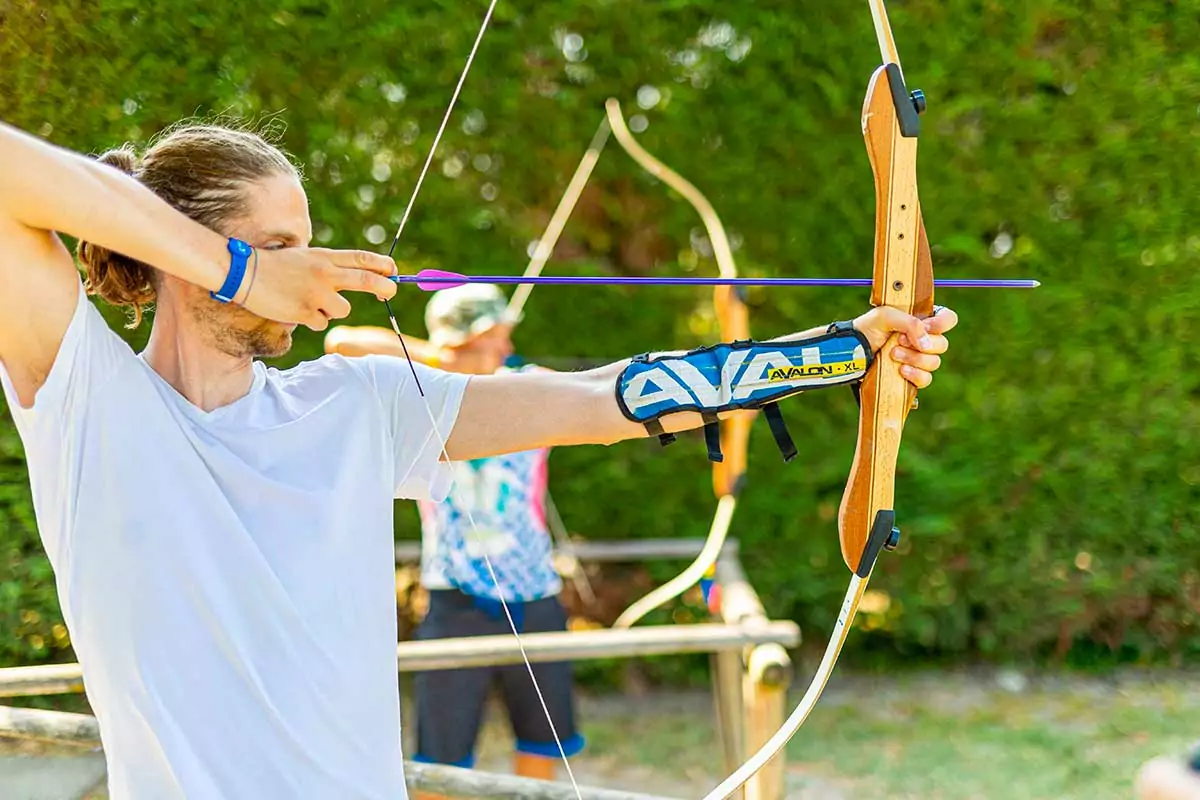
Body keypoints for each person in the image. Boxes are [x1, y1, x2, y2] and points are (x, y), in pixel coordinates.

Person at [0, 118, 957, 800]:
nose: (312, 262)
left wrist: (836, 354)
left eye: (307, 238)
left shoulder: (357, 405)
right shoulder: (87, 396)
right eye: (279, 242)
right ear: (185, 250)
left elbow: (593, 399)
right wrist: (243, 271)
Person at [326, 285, 584, 793]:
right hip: (454, 598)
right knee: (442, 758)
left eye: (508, 338)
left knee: (542, 741)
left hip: (535, 595)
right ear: (458, 342)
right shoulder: (423, 391)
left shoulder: (528, 387)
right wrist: (446, 360)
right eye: (493, 338)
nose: (506, 350)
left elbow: (596, 392)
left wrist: (481, 362)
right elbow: (341, 341)